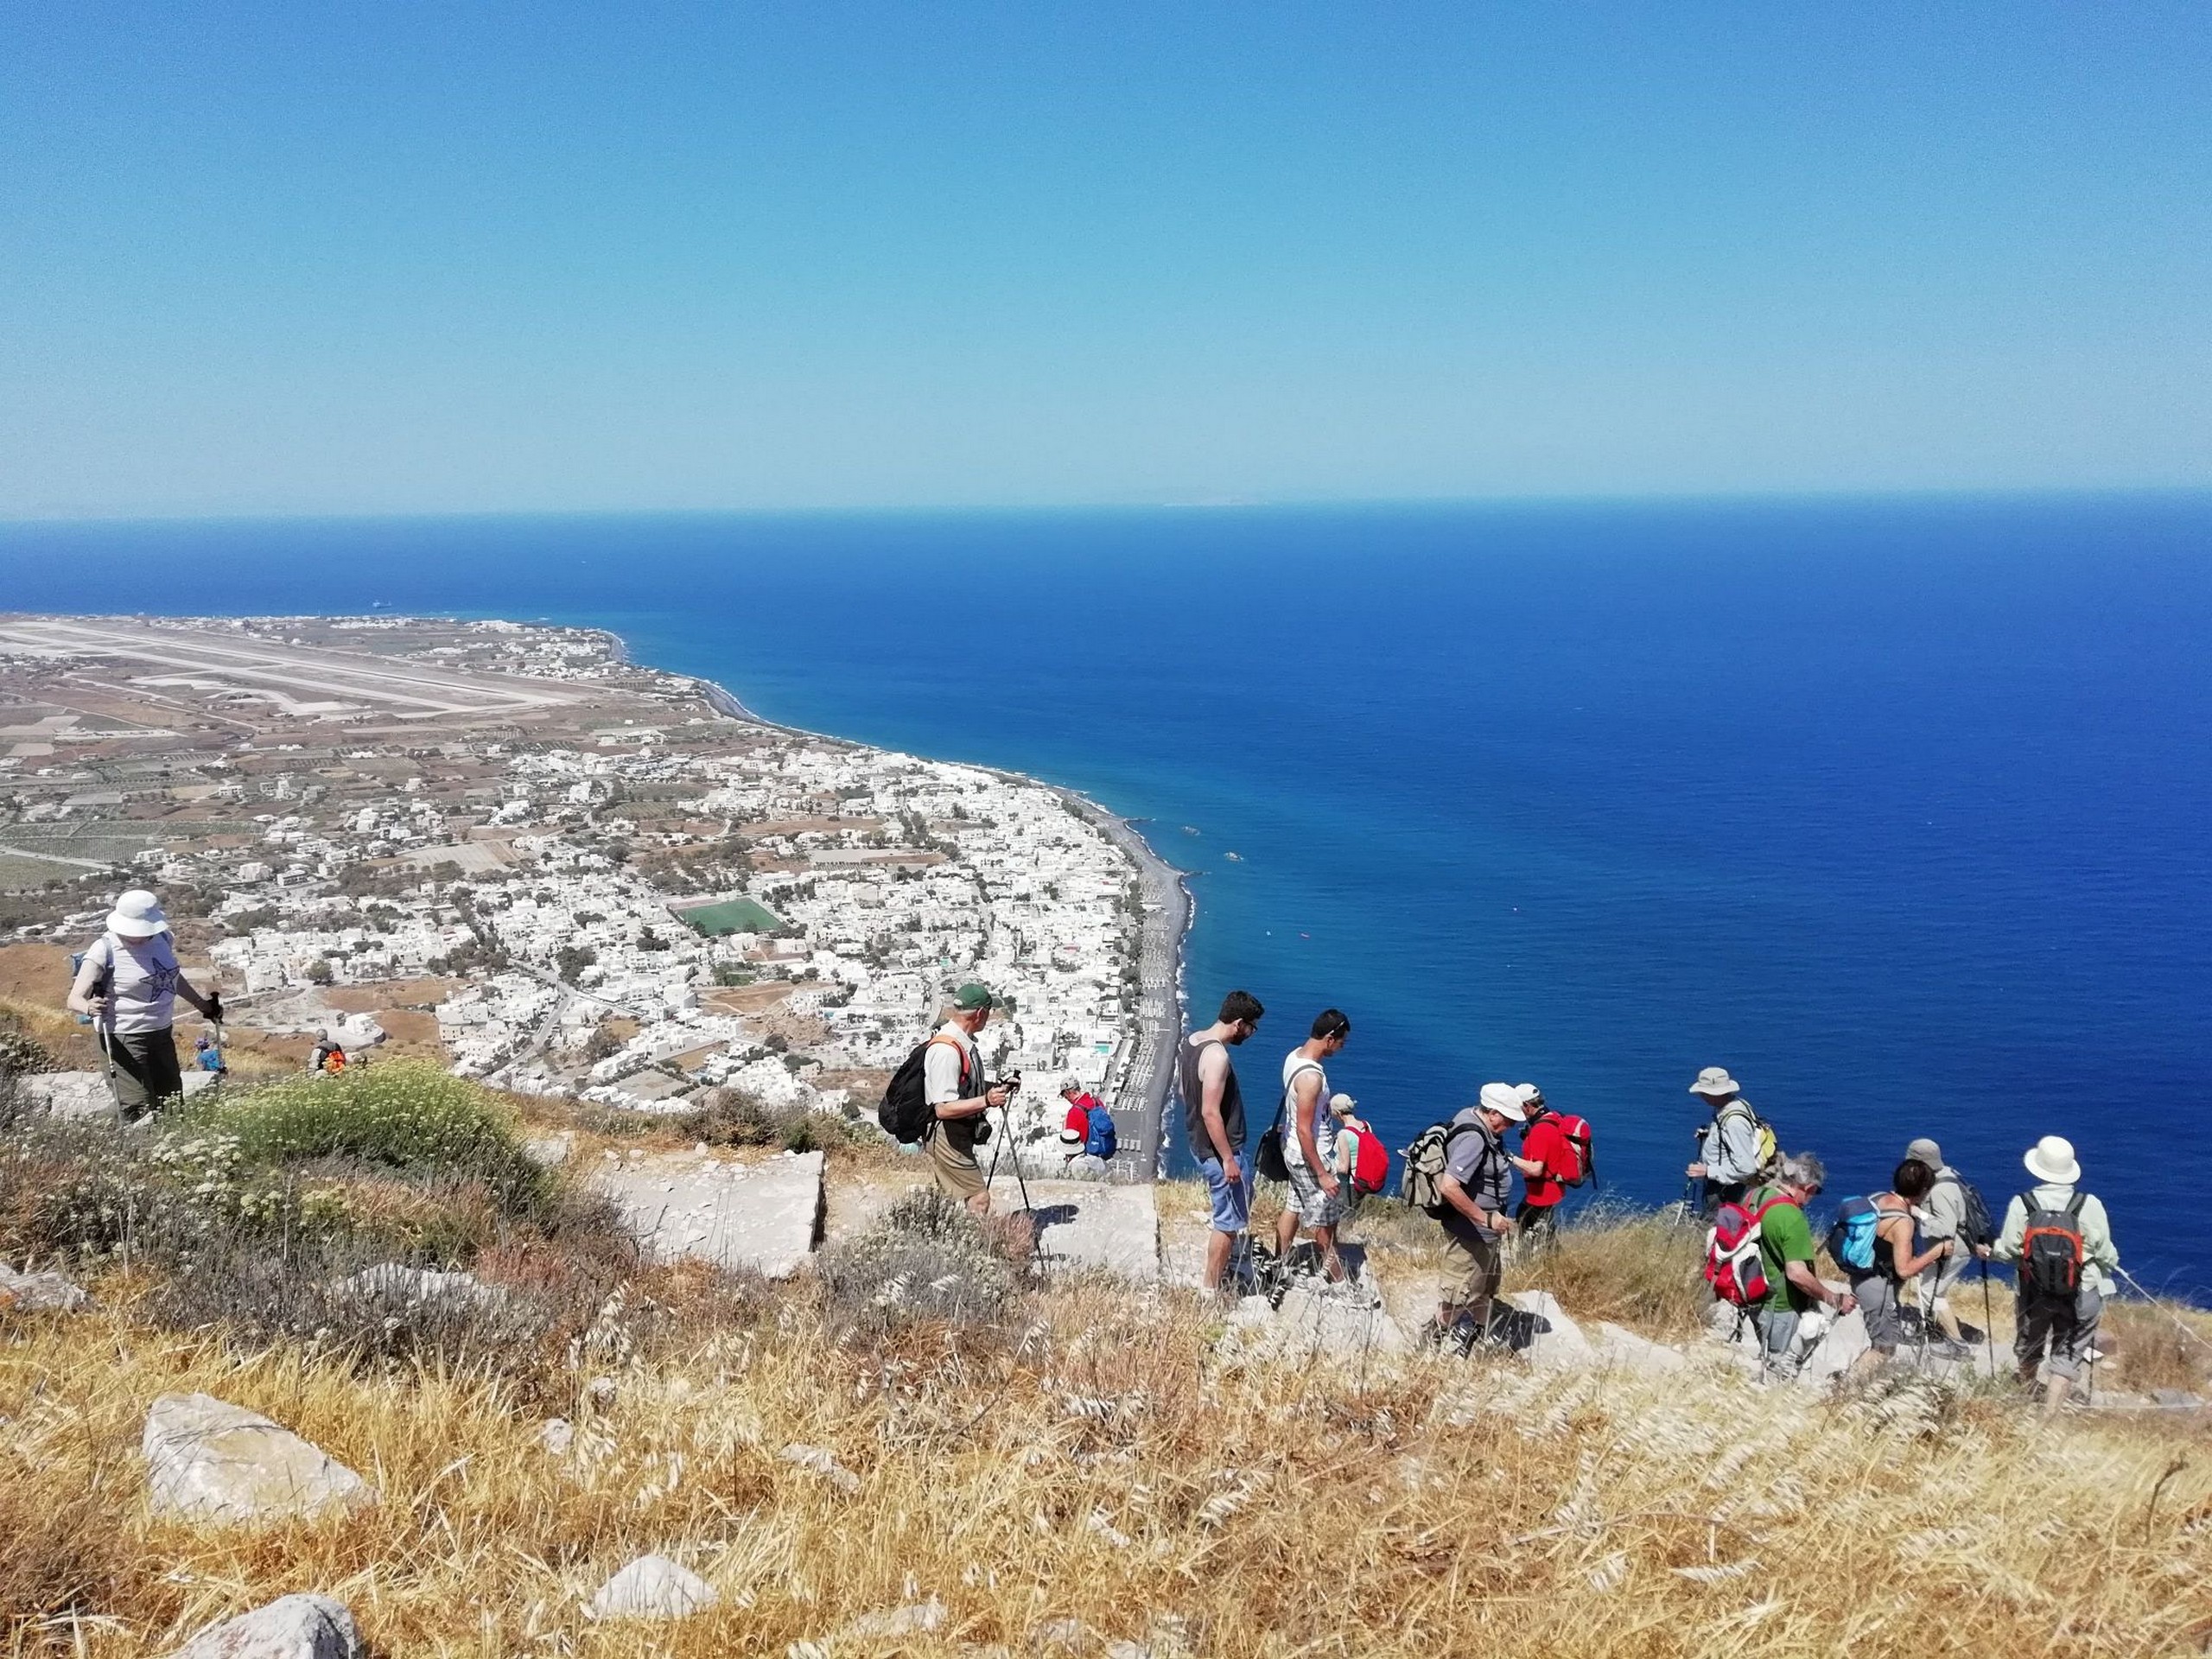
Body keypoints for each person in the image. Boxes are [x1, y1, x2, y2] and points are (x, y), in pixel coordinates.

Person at [66, 889, 222, 1124]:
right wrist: (89, 1006)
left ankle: (168, 1143)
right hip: (123, 1037)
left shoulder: (162, 939)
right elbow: (74, 999)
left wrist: (202, 1005)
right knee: (137, 1105)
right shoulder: (104, 949)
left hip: (161, 1033)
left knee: (170, 1100)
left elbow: (170, 978)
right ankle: (101, 1133)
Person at [1993, 1135, 2120, 1415]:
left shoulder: (2023, 1203)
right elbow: (2106, 1251)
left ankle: (2026, 1396)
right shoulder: (2089, 1204)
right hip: (2082, 1288)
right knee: (2069, 1351)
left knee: (2030, 1341)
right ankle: (2049, 1418)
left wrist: (1995, 1251)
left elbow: (2008, 1249)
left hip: (2033, 1289)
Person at [1421, 1082, 1525, 1355]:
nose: (1512, 1126)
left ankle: (1477, 1337)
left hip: (1483, 1233)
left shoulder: (1472, 1118)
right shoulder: (1474, 1138)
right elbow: (1449, 1185)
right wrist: (1484, 1219)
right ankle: (1431, 1341)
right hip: (1471, 1233)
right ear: (1492, 1113)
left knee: (1483, 1288)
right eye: (1509, 1120)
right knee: (1457, 1295)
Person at [1179, 989, 1264, 1295]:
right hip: (1220, 1152)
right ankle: (1211, 1288)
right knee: (1228, 1224)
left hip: (1198, 1143)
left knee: (1231, 1209)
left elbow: (1183, 1091)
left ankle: (1217, 1272)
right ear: (1239, 1023)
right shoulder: (1217, 1055)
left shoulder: (1191, 1041)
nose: (1252, 1034)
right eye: (1252, 1027)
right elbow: (1210, 1112)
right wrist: (1228, 1159)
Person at [1743, 1152, 1856, 1380]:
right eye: (1815, 1191)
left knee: (1764, 1359)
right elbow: (1796, 1273)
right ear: (1809, 1187)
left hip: (1750, 1292)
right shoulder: (1791, 1217)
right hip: (1780, 1305)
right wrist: (1834, 1299)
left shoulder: (1755, 1195)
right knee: (1780, 1370)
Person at [1840, 1160, 1958, 1379]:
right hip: (1878, 1286)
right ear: (1923, 1191)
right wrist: (1937, 1252)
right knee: (1885, 1347)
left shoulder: (1878, 1198)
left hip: (1862, 1277)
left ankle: (1852, 1380)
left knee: (1881, 1342)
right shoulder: (1903, 1223)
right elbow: (1904, 1270)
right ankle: (1847, 1386)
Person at [1274, 1008, 1352, 1284]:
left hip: (1292, 1148)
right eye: (1342, 1042)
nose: (1341, 1048)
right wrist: (1322, 1173)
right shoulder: (1311, 1078)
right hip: (1310, 1154)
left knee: (1293, 1206)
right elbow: (1305, 1130)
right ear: (1330, 1039)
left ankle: (1278, 1262)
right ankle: (1338, 1280)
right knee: (1325, 1221)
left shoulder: (1294, 1056)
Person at [922, 982, 1010, 1218]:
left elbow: (964, 1088)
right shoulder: (948, 1050)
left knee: (950, 1198)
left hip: (956, 1131)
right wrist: (987, 1101)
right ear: (981, 1013)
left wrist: (996, 1089)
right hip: (945, 1133)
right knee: (979, 1197)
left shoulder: (961, 1042)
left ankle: (946, 1238)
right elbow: (943, 1108)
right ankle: (975, 1246)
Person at [1904, 1135, 1984, 1346]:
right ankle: (1932, 1330)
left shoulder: (1940, 1190)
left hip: (1952, 1247)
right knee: (1931, 1289)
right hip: (1956, 1245)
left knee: (1932, 1292)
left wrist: (1918, 1214)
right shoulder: (1949, 1174)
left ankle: (1957, 1343)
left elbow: (1945, 1227)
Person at [1686, 1066, 1764, 1215]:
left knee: (1716, 1231)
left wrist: (1708, 1171)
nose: (1701, 1096)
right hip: (1727, 1186)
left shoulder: (1734, 1122)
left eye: (1703, 1092)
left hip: (1730, 1192)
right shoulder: (1736, 1105)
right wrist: (1709, 1134)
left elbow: (1746, 1168)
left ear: (1713, 1094)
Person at [1510, 1083, 1573, 1246]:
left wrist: (1509, 1157)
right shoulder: (1555, 1117)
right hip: (1553, 1188)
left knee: (1532, 1229)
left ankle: (1527, 1264)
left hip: (1541, 1192)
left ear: (1527, 1106)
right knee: (1545, 1232)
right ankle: (1552, 1261)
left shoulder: (1540, 1130)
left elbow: (1536, 1169)